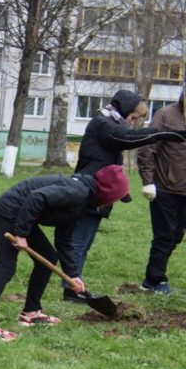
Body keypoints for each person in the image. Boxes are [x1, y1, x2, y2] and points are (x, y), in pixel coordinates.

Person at [0, 165, 131, 341]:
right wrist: (22, 233)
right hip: (9, 212)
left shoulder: (83, 201)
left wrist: (73, 274)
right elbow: (36, 197)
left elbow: (64, 239)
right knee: (6, 266)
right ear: (107, 193)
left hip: (21, 215)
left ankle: (31, 312)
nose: (112, 204)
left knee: (48, 257)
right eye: (115, 199)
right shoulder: (77, 192)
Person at [63, 89, 186, 303]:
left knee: (86, 241)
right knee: (80, 241)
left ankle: (74, 285)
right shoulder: (102, 123)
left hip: (99, 191)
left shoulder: (112, 124)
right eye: (135, 116)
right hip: (87, 188)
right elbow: (125, 138)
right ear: (126, 109)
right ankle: (71, 289)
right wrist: (164, 134)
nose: (135, 122)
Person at [137, 82, 186, 294]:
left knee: (176, 235)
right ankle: (155, 280)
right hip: (165, 188)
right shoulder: (165, 116)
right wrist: (148, 181)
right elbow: (147, 148)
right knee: (165, 235)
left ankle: (151, 278)